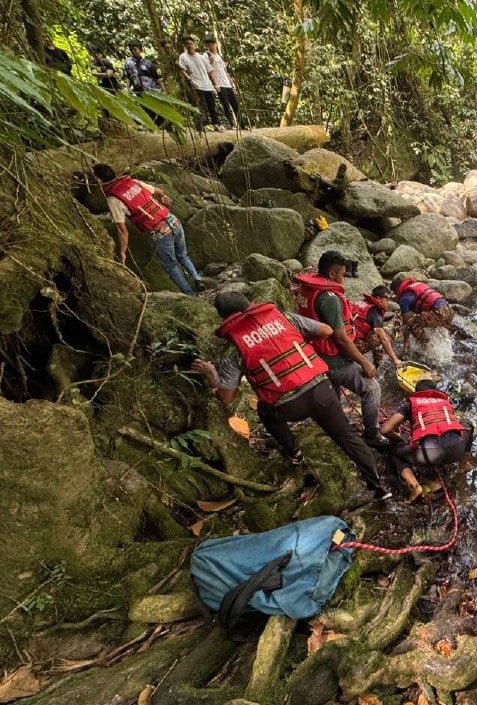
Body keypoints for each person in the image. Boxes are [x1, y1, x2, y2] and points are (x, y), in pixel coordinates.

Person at [190, 292, 387, 497]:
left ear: (224, 318)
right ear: (250, 303)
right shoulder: (285, 318)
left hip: (287, 406)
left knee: (263, 410)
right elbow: (326, 330)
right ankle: (379, 488)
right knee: (347, 436)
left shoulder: (233, 349)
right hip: (321, 392)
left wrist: (212, 376)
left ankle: (295, 454)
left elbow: (226, 398)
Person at [293, 251, 393, 447]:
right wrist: (364, 362)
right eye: (342, 274)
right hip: (332, 359)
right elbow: (340, 339)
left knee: (333, 392)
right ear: (332, 274)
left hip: (314, 354)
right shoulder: (329, 299)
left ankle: (335, 425)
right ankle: (371, 435)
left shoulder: (308, 288)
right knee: (372, 388)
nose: (343, 279)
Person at [93, 163, 203, 294]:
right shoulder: (132, 182)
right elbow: (158, 191)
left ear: (99, 180)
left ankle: (191, 295)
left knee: (171, 267)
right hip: (173, 221)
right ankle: (198, 279)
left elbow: (123, 230)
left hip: (160, 232)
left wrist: (122, 253)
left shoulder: (113, 199)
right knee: (183, 255)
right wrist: (163, 196)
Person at [380, 379, 473, 501]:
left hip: (428, 454)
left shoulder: (410, 405)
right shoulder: (445, 402)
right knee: (468, 423)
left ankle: (414, 485)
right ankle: (464, 464)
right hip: (456, 449)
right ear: (435, 391)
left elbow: (385, 430)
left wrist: (400, 440)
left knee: (393, 452)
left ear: (417, 392)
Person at [389, 275, 454, 348]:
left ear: (397, 290)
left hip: (438, 313)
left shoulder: (404, 299)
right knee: (432, 325)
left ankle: (427, 347)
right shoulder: (418, 285)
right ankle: (445, 348)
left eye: (395, 293)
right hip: (449, 310)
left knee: (413, 325)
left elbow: (407, 324)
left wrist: (406, 345)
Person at [352, 285, 402, 369]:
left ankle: (375, 362)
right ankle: (377, 365)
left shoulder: (363, 303)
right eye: (386, 300)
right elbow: (383, 339)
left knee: (377, 334)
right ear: (378, 298)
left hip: (346, 336)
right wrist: (395, 359)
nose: (388, 303)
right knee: (381, 338)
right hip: (351, 345)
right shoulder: (375, 313)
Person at [178, 36, 221, 131]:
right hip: (197, 85)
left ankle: (216, 124)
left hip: (207, 85)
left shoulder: (201, 57)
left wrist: (215, 83)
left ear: (194, 45)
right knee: (202, 106)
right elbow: (183, 70)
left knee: (212, 106)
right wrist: (190, 80)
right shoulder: (183, 57)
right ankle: (204, 125)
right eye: (187, 44)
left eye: (191, 43)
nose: (189, 45)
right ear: (185, 45)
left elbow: (210, 71)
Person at [203, 34, 243, 129]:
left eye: (212, 44)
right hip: (219, 84)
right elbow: (207, 69)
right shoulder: (206, 55)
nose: (211, 46)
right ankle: (232, 124)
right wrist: (215, 83)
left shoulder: (220, 56)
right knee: (225, 105)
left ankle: (242, 124)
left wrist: (232, 82)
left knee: (235, 105)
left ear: (216, 44)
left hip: (227, 83)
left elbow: (225, 70)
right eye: (209, 45)